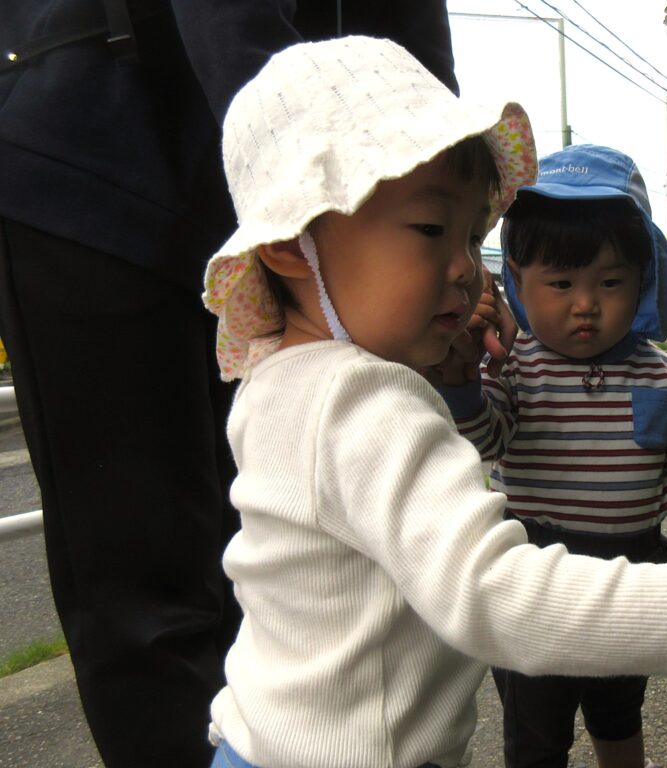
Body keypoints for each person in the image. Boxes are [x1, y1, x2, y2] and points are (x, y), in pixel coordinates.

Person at [202, 36, 667, 768]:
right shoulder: (363, 397)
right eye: (429, 229)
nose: (462, 271)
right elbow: (493, 594)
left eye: (472, 236)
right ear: (292, 241)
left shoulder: (283, 380)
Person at [0, 3, 462, 766]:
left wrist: (429, 219)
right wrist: (333, 189)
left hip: (301, 192)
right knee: (146, 584)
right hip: (93, 152)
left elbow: (411, 28)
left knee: (268, 556)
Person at [435, 143, 667, 768]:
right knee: (536, 731)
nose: (585, 303)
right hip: (533, 571)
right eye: (560, 283)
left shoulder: (663, 377)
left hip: (634, 568)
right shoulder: (516, 365)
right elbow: (487, 439)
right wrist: (462, 386)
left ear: (641, 278)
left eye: (610, 282)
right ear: (516, 276)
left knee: (618, 712)